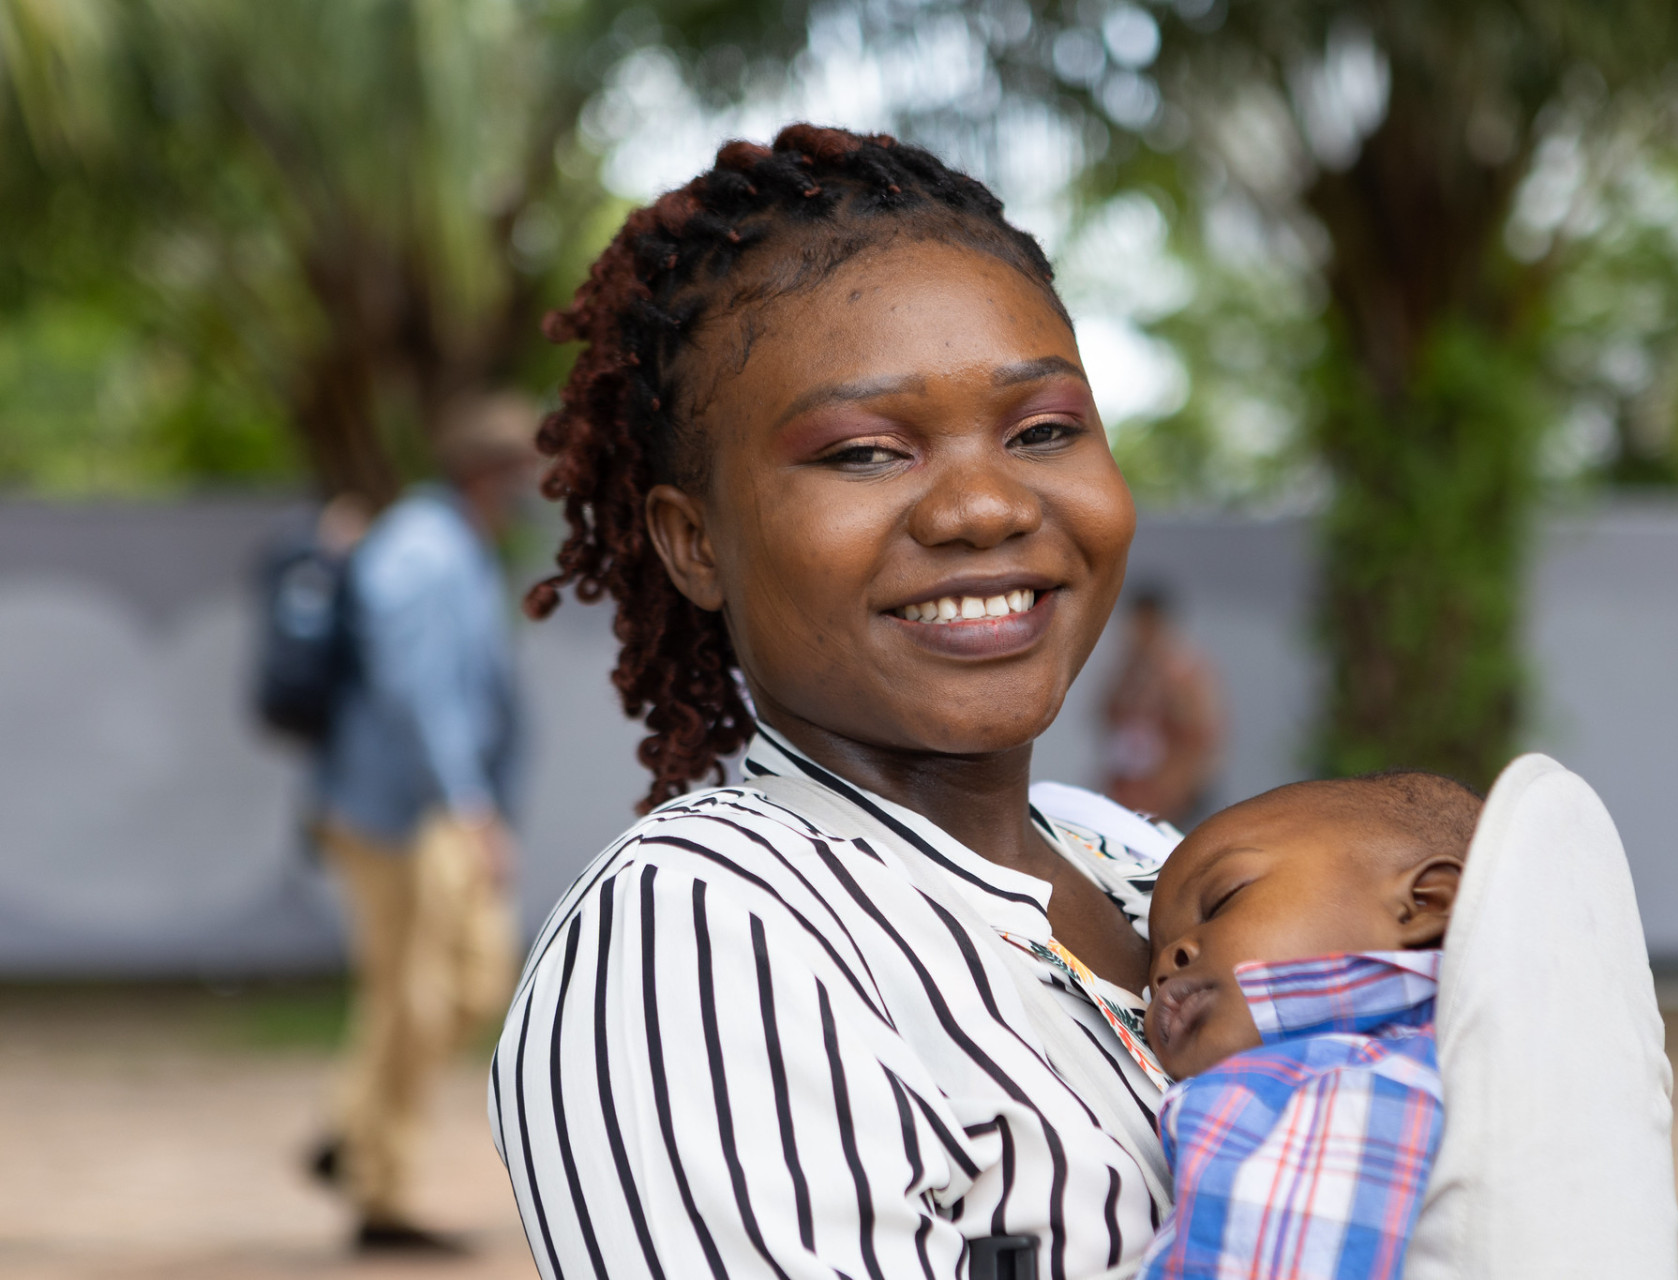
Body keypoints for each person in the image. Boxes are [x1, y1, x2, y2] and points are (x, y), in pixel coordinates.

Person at [494, 126, 1172, 1280]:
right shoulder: (703, 941)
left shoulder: (1148, 860)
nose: (983, 506)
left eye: (1043, 429)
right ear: (695, 541)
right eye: (865, 452)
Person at [309, 392, 537, 1252]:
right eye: (524, 472)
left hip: (429, 809)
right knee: (412, 994)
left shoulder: (460, 548)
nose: (535, 491)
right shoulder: (421, 548)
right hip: (399, 812)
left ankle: (354, 1129)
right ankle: (381, 1194)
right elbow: (415, 689)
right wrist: (468, 804)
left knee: (469, 981)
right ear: (489, 473)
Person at [1140, 772, 1480, 1280]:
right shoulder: (1482, 1056)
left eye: (1222, 899)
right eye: (1151, 969)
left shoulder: (1328, 1091)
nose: (1169, 961)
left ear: (1425, 903)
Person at [1102, 589, 1224, 827]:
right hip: (1132, 791)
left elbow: (1198, 738)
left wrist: (1172, 792)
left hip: (1172, 798)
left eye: (1143, 626)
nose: (1136, 634)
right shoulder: (1128, 670)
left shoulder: (1184, 674)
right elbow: (1108, 717)